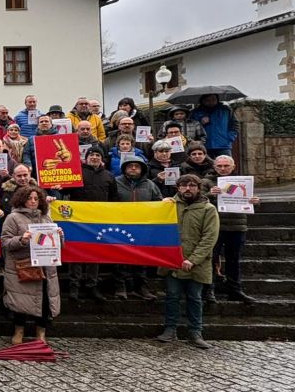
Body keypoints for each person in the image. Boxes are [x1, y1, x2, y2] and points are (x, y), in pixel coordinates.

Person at [155, 174, 219, 349]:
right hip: (173, 262)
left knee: (195, 297)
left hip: (196, 263)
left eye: (192, 186)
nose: (187, 189)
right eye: (183, 186)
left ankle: (195, 332)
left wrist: (193, 259)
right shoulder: (168, 206)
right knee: (172, 296)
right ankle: (170, 329)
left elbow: (209, 238)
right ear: (178, 188)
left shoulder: (208, 209)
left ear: (198, 188)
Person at [2, 186, 63, 345]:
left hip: (44, 267)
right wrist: (22, 239)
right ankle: (18, 332)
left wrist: (60, 238)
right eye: (30, 198)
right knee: (20, 302)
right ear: (22, 199)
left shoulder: (46, 218)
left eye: (36, 198)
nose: (33, 201)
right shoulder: (13, 218)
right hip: (23, 267)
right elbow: (5, 242)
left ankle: (41, 334)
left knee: (44, 302)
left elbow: (57, 247)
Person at [63, 148, 118, 301]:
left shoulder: (109, 176)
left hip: (99, 221)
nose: (94, 157)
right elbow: (65, 189)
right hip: (77, 221)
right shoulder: (77, 172)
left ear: (102, 158)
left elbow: (114, 199)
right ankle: (74, 286)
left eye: (97, 155)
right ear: (85, 158)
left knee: (95, 253)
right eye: (91, 155)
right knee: (76, 253)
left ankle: (91, 285)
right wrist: (58, 186)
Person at [202, 155, 259, 304]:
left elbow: (250, 200)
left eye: (226, 166)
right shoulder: (206, 182)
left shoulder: (242, 182)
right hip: (215, 226)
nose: (222, 169)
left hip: (237, 225)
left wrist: (255, 201)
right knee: (211, 259)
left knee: (234, 259)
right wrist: (210, 194)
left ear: (233, 167)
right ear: (214, 167)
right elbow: (198, 200)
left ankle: (235, 290)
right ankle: (209, 289)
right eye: (219, 166)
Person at [114, 156, 162, 301]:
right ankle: (120, 287)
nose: (133, 168)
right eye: (130, 166)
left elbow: (158, 202)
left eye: (137, 166)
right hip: (120, 226)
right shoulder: (115, 183)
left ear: (142, 169)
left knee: (141, 259)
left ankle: (141, 287)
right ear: (124, 169)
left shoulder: (150, 185)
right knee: (119, 259)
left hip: (143, 228)